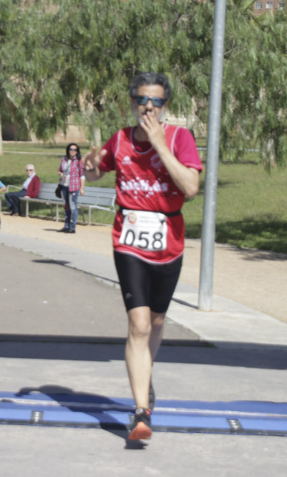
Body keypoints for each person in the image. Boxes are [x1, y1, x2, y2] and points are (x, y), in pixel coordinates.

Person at [83, 72, 202, 440]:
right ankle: (140, 412)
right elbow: (96, 171)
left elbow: (191, 188)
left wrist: (159, 144)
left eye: (157, 102)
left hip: (169, 242)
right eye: (142, 100)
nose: (148, 107)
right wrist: (89, 166)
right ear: (131, 101)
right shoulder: (119, 138)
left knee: (157, 321)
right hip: (129, 240)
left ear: (166, 105)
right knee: (138, 324)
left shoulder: (181, 138)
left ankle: (144, 377)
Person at [57, 143, 85, 233]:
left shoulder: (79, 160)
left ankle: (73, 227)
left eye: (74, 150)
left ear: (77, 151)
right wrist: (61, 174)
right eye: (71, 149)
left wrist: (82, 188)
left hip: (74, 186)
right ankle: (66, 226)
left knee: (73, 207)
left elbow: (82, 175)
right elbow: (59, 170)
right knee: (66, 206)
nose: (72, 151)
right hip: (63, 185)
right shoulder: (64, 159)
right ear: (68, 150)